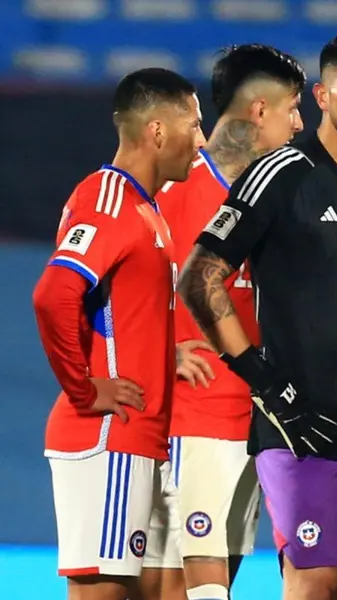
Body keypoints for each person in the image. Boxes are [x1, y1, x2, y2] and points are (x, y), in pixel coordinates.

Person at [176, 31, 337, 600]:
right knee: (313, 582)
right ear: (322, 96)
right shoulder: (280, 173)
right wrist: (265, 383)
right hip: (296, 426)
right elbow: (199, 277)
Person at [31, 67, 206, 600]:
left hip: (137, 438)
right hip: (108, 435)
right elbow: (53, 294)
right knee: (102, 594)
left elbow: (111, 307)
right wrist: (85, 389)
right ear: (156, 131)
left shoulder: (144, 209)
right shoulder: (110, 200)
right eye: (194, 125)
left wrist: (159, 350)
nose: (201, 140)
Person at [142, 44, 306, 600]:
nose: (300, 124)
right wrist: (161, 352)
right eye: (293, 109)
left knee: (221, 578)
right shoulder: (169, 191)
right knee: (184, 586)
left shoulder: (281, 194)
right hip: (197, 413)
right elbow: (95, 293)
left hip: (264, 418)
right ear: (260, 111)